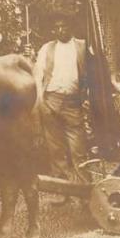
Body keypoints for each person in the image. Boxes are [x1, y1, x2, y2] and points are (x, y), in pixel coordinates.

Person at [33, 14, 89, 199]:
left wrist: (87, 98)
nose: (60, 30)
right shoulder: (47, 49)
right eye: (56, 27)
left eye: (64, 26)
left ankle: (83, 191)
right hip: (51, 101)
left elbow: (92, 74)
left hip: (73, 102)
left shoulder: (83, 47)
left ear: (71, 27)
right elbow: (38, 76)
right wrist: (41, 102)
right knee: (55, 148)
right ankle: (61, 191)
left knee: (77, 148)